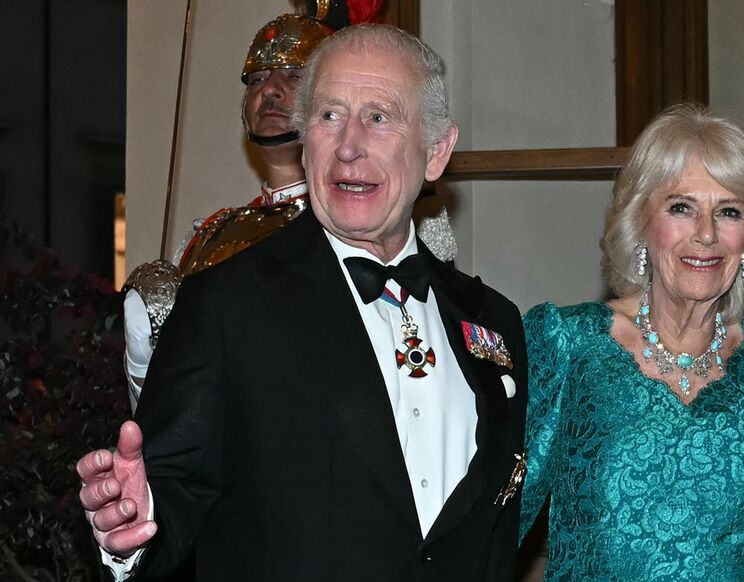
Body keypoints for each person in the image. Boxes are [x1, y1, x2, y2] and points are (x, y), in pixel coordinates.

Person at [78, 24, 528, 582]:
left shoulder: (493, 322)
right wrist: (132, 530)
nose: (348, 146)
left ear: (436, 152)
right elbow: (170, 500)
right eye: (329, 115)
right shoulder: (226, 306)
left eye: (379, 117)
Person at [520, 104, 744, 581]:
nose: (706, 234)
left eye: (728, 212)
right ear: (642, 223)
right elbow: (496, 525)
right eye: (681, 207)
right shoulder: (570, 346)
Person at [121, 4, 383, 411]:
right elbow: (177, 410)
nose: (270, 90)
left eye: (294, 75)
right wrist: (142, 363)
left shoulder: (365, 225)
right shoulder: (209, 236)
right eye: (257, 78)